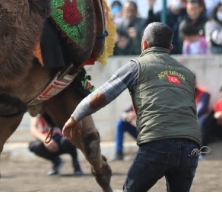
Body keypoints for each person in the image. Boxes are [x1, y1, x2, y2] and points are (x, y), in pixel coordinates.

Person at [63, 23, 202, 192]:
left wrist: (75, 116)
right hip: (190, 148)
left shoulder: (137, 65)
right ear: (170, 47)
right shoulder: (187, 74)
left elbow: (103, 94)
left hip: (157, 143)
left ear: (144, 44)